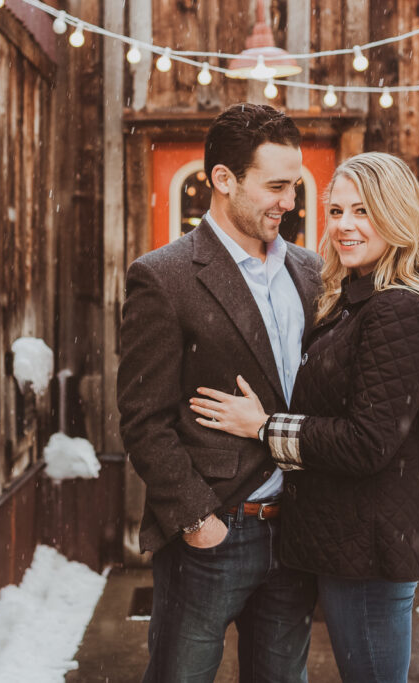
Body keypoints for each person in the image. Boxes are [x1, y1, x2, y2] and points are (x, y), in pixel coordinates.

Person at [189, 151, 419, 683]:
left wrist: (263, 427)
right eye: (336, 210)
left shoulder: (399, 308)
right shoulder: (357, 298)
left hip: (369, 542)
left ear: (397, 215)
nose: (344, 226)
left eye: (362, 211)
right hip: (351, 537)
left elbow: (368, 442)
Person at [117, 103, 323, 682]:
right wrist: (197, 519)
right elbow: (142, 418)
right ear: (224, 180)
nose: (290, 200)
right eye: (276, 186)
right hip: (214, 534)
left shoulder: (309, 271)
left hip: (298, 533)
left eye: (295, 184)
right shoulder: (164, 275)